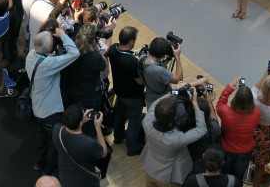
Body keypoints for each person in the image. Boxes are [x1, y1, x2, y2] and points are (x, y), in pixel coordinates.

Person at [25, 29, 80, 176]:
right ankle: (48, 172)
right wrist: (64, 36)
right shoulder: (49, 64)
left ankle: (39, 162)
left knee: (41, 138)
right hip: (50, 112)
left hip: (37, 108)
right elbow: (75, 53)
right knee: (55, 143)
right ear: (49, 49)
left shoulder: (31, 55)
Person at [140, 90, 207, 186]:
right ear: (175, 117)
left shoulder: (146, 121)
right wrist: (195, 102)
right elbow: (201, 129)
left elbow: (155, 103)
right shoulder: (176, 139)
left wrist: (168, 94)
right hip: (168, 177)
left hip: (150, 167)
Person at [107, 26, 145, 156]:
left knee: (120, 114)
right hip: (133, 96)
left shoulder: (112, 50)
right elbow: (140, 81)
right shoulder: (133, 62)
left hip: (119, 91)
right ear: (131, 42)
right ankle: (132, 146)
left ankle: (118, 137)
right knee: (135, 120)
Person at [216, 77, 261, 183]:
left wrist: (230, 87)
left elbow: (221, 102)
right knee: (238, 178)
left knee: (224, 177)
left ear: (235, 99)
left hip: (226, 150)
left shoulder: (225, 112)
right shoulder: (256, 113)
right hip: (245, 152)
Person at [53, 104, 108, 187]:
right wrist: (98, 128)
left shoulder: (57, 129)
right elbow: (103, 153)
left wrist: (81, 121)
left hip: (65, 176)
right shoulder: (88, 143)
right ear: (80, 122)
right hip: (85, 181)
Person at [61, 23, 107, 111]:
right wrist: (96, 48)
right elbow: (103, 65)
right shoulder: (95, 57)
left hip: (73, 95)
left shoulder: (70, 51)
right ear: (93, 39)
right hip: (90, 97)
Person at [140, 37, 183, 107]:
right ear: (163, 56)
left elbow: (155, 64)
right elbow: (179, 79)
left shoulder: (142, 58)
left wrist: (168, 58)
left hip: (149, 99)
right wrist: (177, 56)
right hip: (161, 104)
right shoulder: (159, 71)